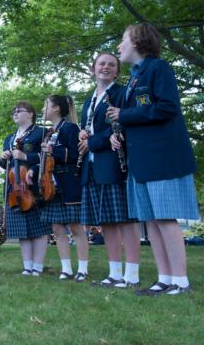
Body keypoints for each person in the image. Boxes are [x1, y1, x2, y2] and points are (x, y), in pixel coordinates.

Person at [107, 23, 199, 295]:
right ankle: (164, 278)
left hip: (162, 158)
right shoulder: (134, 78)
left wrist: (124, 116)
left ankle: (180, 281)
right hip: (141, 160)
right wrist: (119, 132)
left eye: (122, 40)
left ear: (137, 41)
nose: (119, 46)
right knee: (153, 221)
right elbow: (136, 114)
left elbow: (167, 107)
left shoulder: (158, 68)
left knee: (166, 219)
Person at [78, 53, 141, 288]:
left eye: (111, 65)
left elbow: (122, 126)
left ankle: (132, 274)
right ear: (93, 69)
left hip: (114, 163)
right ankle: (115, 273)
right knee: (107, 222)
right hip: (93, 165)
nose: (105, 67)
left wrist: (92, 141)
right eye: (101, 64)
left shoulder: (121, 93)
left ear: (117, 72)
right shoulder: (89, 99)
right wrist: (82, 133)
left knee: (125, 221)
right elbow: (90, 127)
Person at [31, 95, 91, 282]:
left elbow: (76, 155)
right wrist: (33, 170)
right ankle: (66, 268)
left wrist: (53, 151)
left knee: (75, 228)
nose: (42, 109)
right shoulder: (49, 132)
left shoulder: (70, 128)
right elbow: (44, 160)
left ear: (56, 109)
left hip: (68, 183)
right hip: (50, 186)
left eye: (45, 105)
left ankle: (82, 268)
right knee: (57, 228)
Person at [0, 102, 51, 277]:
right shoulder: (10, 138)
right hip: (15, 188)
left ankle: (37, 266)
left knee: (39, 228)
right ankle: (27, 266)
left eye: (19, 111)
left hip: (34, 185)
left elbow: (46, 156)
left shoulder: (41, 132)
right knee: (22, 229)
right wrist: (3, 157)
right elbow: (3, 165)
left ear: (30, 114)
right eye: (13, 111)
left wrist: (25, 156)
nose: (15, 113)